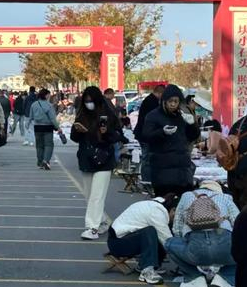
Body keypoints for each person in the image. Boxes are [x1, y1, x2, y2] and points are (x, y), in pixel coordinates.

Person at [166, 181, 239, 287]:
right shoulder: (226, 198)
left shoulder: (186, 196)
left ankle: (194, 278)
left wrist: (186, 243)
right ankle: (226, 277)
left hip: (196, 251)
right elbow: (239, 224)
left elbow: (177, 227)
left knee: (169, 243)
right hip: (225, 251)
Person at [70, 86, 123, 240]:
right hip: (86, 159)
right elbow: (75, 138)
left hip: (104, 159)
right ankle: (103, 221)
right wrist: (77, 130)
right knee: (89, 195)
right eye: (86, 101)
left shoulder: (108, 114)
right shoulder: (82, 114)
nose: (89, 104)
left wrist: (106, 133)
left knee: (97, 196)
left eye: (91, 100)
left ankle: (92, 228)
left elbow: (118, 135)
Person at [107, 194, 179, 285]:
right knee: (150, 231)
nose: (176, 219)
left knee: (157, 233)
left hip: (123, 238)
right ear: (173, 209)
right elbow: (168, 241)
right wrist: (186, 259)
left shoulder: (156, 204)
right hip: (117, 245)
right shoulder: (156, 213)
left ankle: (145, 265)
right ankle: (147, 271)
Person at [143, 84, 200, 197]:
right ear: (164, 101)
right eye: (170, 101)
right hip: (162, 170)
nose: (173, 104)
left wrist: (192, 124)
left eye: (176, 101)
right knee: (165, 202)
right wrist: (162, 132)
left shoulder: (182, 116)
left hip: (182, 170)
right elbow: (146, 136)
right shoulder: (153, 116)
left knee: (183, 202)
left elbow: (193, 137)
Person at [133, 85, 165, 183]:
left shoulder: (150, 100)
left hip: (143, 133)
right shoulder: (152, 102)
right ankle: (147, 180)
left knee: (147, 158)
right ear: (159, 93)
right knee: (147, 158)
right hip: (145, 135)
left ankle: (147, 179)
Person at [29, 88, 62, 170]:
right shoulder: (49, 105)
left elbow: (31, 117)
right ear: (46, 95)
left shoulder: (34, 104)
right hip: (47, 127)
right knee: (48, 145)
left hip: (37, 127)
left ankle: (40, 162)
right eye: (48, 95)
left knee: (39, 145)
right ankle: (46, 160)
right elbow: (53, 119)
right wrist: (58, 128)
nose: (49, 96)